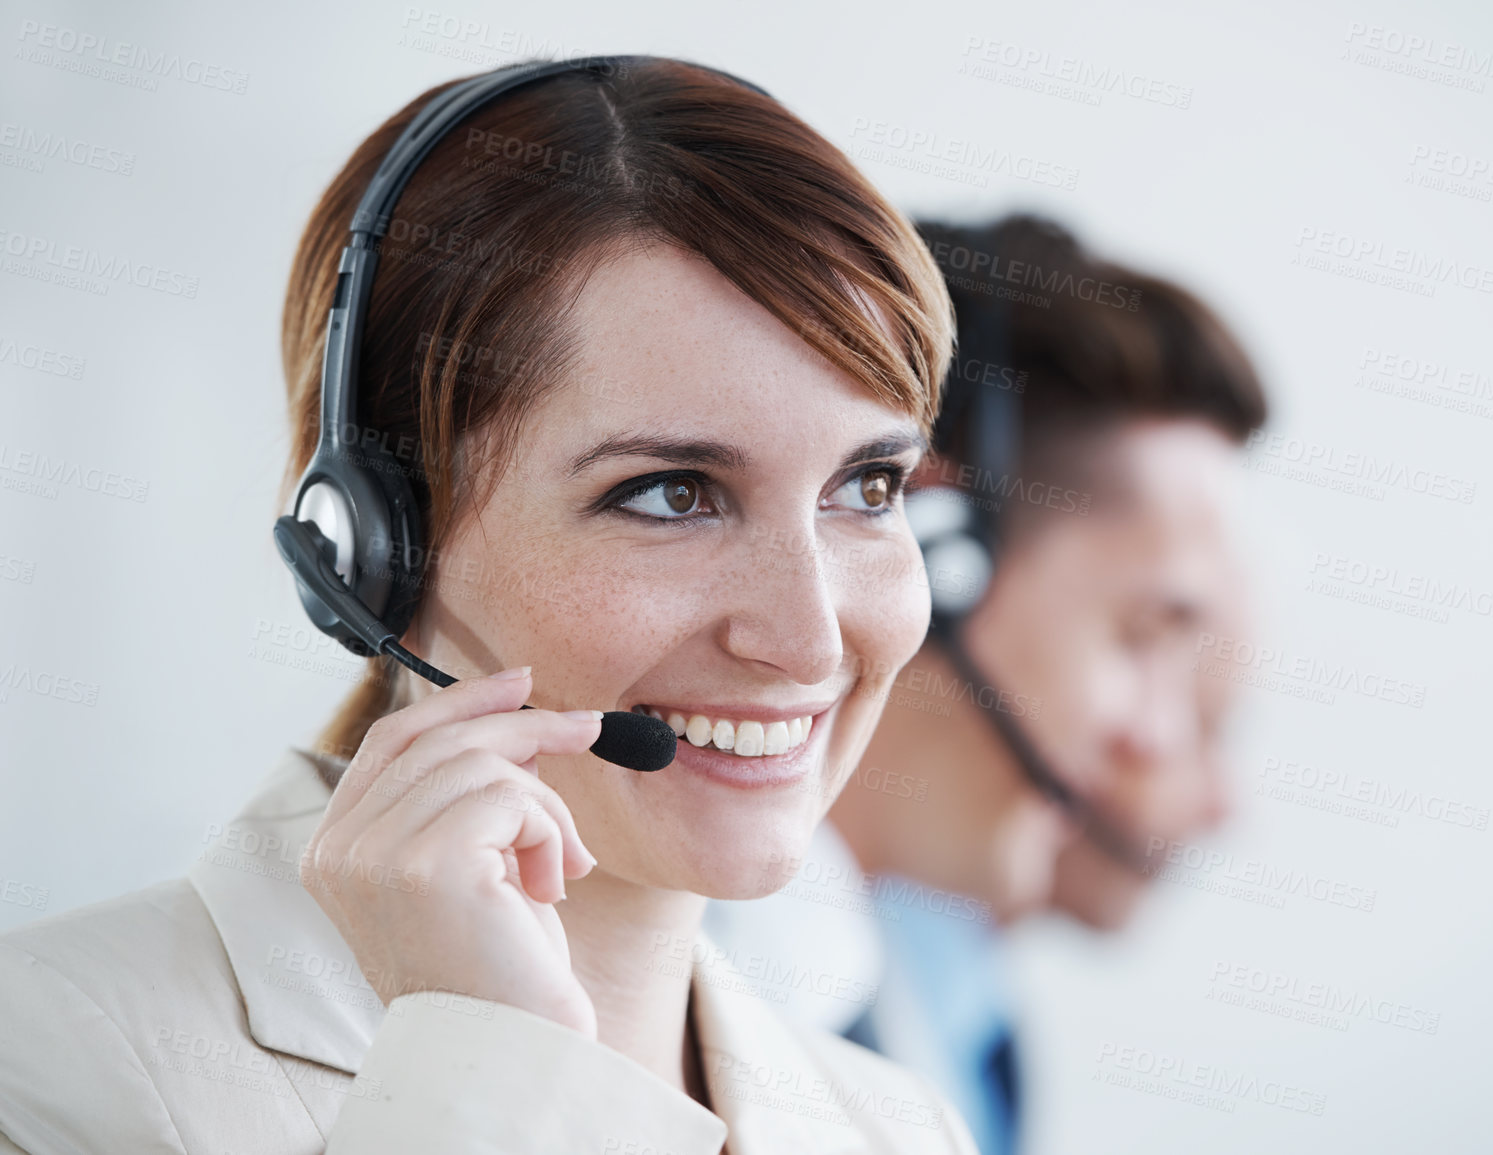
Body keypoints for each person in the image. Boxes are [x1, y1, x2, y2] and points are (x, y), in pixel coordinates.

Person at [0, 57, 983, 1154]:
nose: (807, 638)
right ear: (374, 549)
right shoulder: (56, 1060)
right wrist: (485, 1074)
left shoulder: (895, 1124)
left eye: (869, 487)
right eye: (671, 495)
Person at [705, 213, 1268, 1155]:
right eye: (1141, 636)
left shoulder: (921, 1015)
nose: (1159, 739)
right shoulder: (632, 1000)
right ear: (934, 550)